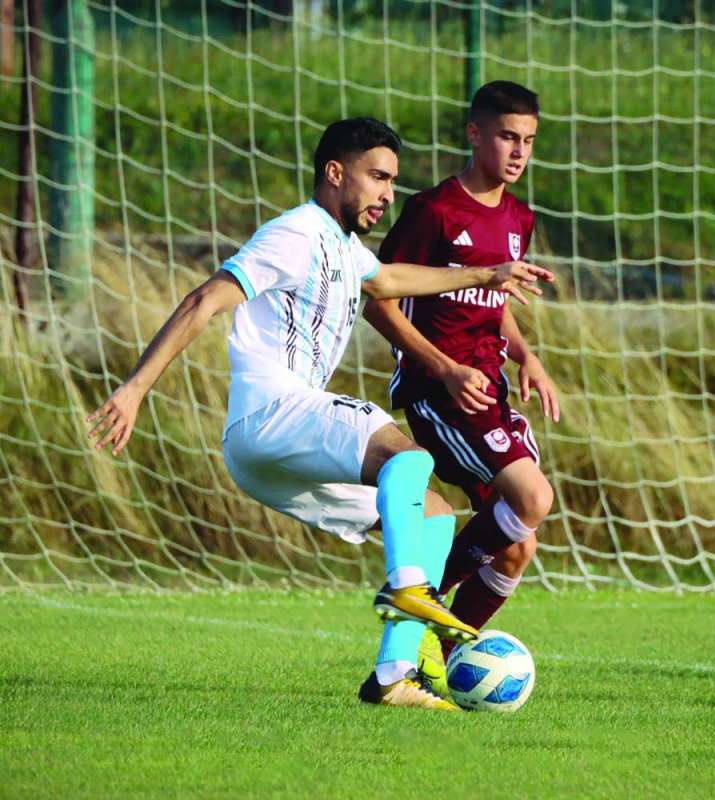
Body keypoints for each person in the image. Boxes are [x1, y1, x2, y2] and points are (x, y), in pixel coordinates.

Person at [86, 117, 553, 711]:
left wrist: (487, 273)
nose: (387, 194)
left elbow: (388, 280)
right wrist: (134, 389)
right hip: (274, 410)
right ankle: (410, 589)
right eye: (377, 177)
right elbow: (205, 299)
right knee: (407, 456)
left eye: (392, 182)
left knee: (433, 516)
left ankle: (393, 676)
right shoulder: (296, 234)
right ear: (336, 173)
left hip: (263, 459)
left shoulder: (345, 248)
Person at [363, 83, 560, 673]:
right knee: (532, 497)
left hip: (488, 388)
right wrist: (444, 369)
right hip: (438, 392)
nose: (519, 151)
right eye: (507, 136)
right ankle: (416, 601)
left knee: (518, 546)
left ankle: (438, 654)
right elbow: (377, 299)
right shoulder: (433, 211)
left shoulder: (518, 217)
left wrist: (526, 354)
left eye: (527, 140)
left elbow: (492, 299)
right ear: (475, 134)